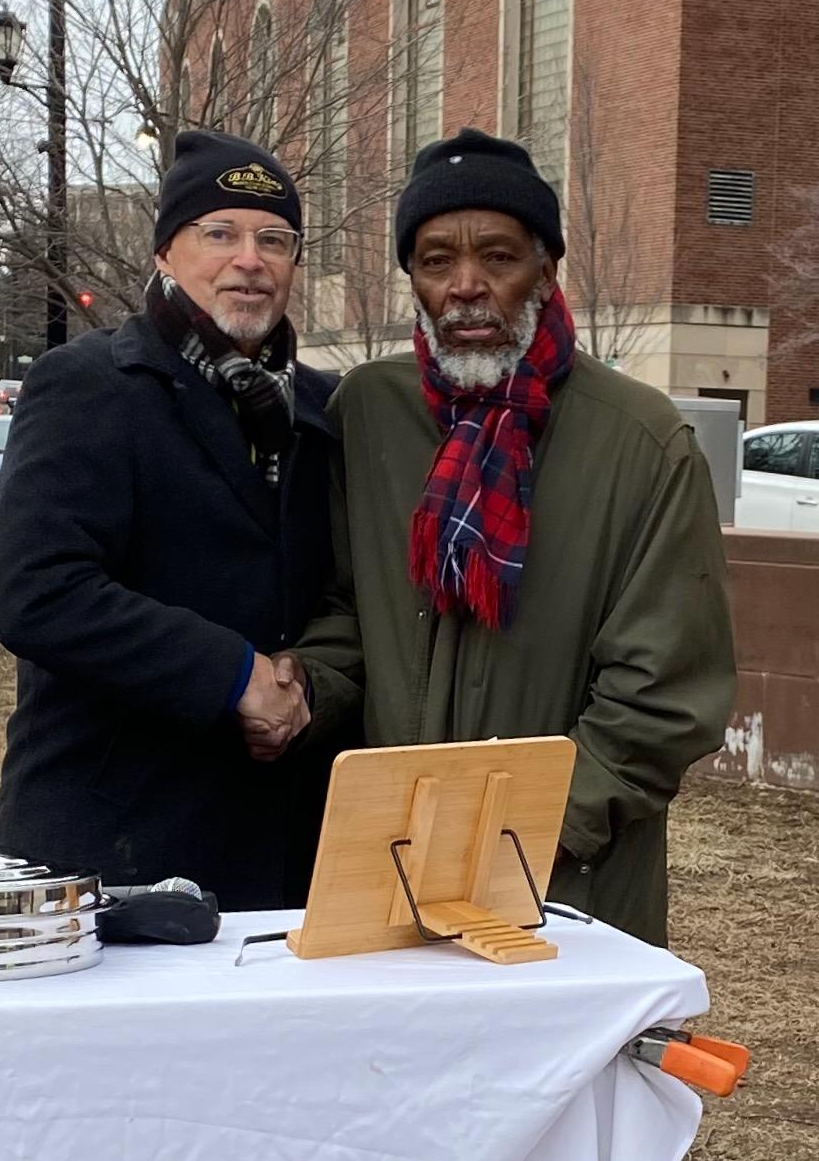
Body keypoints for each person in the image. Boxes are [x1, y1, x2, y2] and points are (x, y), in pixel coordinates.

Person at [262, 128, 736, 946]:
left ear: (546, 271)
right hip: (395, 875)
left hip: (569, 892)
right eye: (436, 260)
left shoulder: (643, 442)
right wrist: (302, 684)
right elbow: (348, 612)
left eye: (499, 256)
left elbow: (662, 698)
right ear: (413, 279)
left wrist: (517, 840)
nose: (466, 285)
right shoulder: (366, 413)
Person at [0, 130, 342, 910]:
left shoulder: (322, 410)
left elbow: (344, 599)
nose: (249, 259)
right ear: (165, 253)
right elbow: (35, 589)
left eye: (274, 239)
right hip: (114, 847)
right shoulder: (89, 386)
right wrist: (233, 674)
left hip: (286, 856)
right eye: (220, 233)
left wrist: (304, 682)